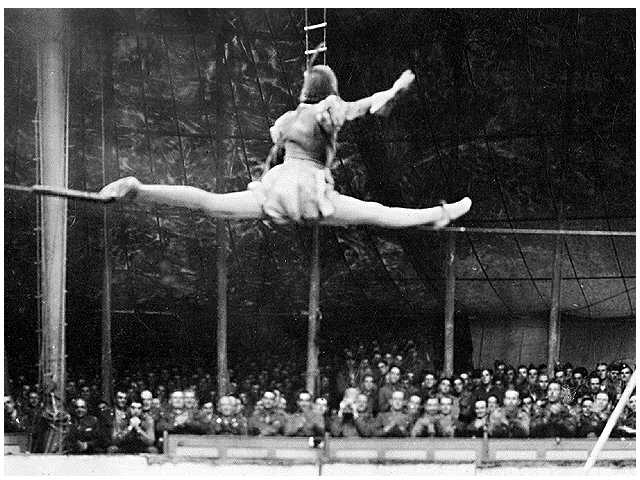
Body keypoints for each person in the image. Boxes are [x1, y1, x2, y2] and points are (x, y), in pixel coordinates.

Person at [99, 67, 471, 230]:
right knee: (378, 213)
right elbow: (371, 107)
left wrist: (390, 94)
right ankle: (438, 213)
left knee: (211, 203)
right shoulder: (329, 109)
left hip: (278, 185)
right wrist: (395, 90)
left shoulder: (290, 117)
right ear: (329, 92)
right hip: (307, 187)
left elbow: (282, 138)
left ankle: (140, 190)